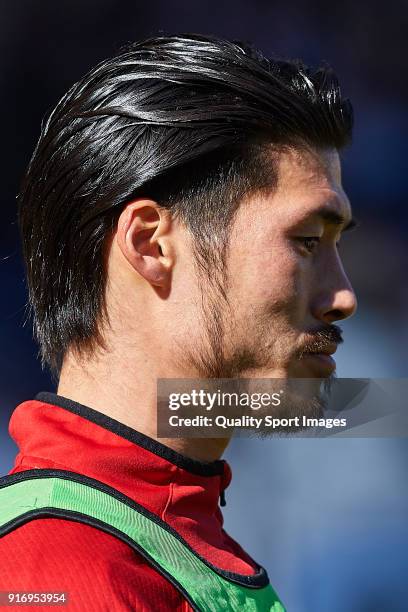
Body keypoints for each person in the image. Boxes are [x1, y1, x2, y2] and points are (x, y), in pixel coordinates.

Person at [0, 34, 357, 611]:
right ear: (151, 244)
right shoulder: (60, 569)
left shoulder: (171, 532)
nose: (344, 297)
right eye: (307, 241)